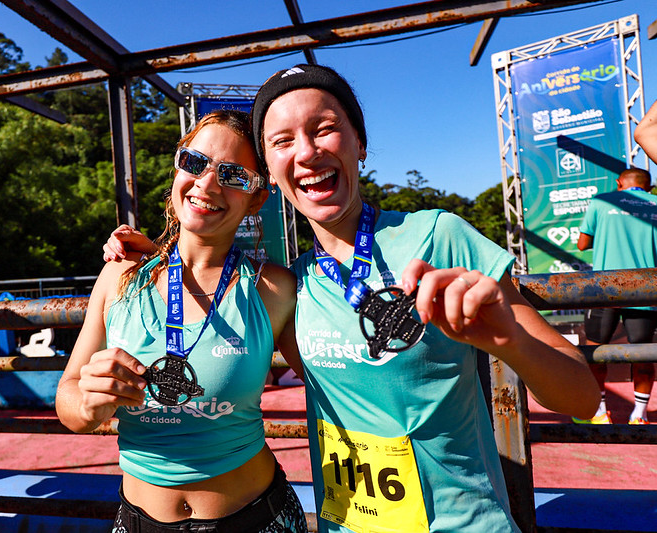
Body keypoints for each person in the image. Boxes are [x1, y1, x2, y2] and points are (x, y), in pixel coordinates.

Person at [104, 64, 599, 533]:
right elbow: (202, 281)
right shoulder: (292, 286)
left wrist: (509, 342)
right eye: (282, 141)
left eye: (324, 128)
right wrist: (159, 257)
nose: (307, 152)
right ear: (271, 179)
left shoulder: (439, 236)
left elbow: (580, 396)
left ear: (359, 143)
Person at [56, 110, 308, 533]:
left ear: (256, 198)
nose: (207, 184)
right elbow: (68, 398)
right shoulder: (119, 276)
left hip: (257, 521)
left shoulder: (274, 289)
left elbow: (342, 386)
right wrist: (87, 404)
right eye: (194, 163)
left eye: (233, 176)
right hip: (138, 521)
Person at [575, 167, 657, 425]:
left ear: (619, 184)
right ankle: (639, 416)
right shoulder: (656, 203)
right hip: (646, 288)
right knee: (643, 352)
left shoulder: (602, 200)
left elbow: (582, 243)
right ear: (649, 188)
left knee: (595, 350)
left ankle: (599, 413)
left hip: (604, 286)